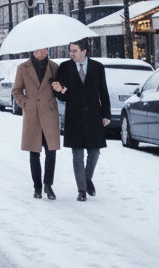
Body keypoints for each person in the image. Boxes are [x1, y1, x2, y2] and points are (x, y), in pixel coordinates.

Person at [52, 40, 111, 202]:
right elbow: (62, 96)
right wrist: (60, 90)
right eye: (70, 51)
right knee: (77, 155)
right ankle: (82, 190)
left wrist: (106, 115)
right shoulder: (65, 67)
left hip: (94, 115)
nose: (71, 54)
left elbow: (103, 92)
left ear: (84, 51)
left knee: (95, 151)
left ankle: (87, 179)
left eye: (74, 51)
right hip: (74, 116)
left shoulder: (98, 67)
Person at [11, 48, 60, 199]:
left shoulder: (54, 67)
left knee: (51, 151)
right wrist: (26, 103)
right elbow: (16, 90)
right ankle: (37, 187)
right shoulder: (23, 68)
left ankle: (48, 185)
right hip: (32, 114)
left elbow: (60, 89)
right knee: (34, 152)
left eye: (44, 50)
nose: (41, 54)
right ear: (32, 52)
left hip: (49, 113)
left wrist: (59, 88)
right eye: (38, 51)